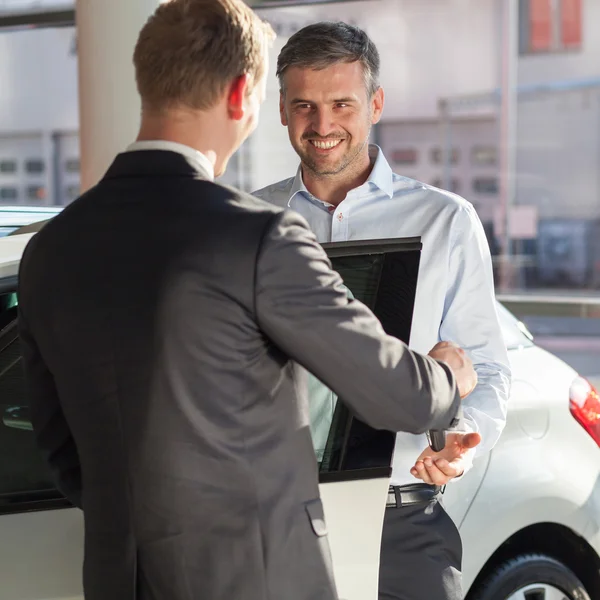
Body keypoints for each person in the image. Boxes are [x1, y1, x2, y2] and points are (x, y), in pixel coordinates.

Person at [17, 3, 476, 600]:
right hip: (252, 578)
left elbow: (59, 447)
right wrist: (448, 378)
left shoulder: (51, 248)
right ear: (242, 97)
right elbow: (393, 392)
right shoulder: (258, 235)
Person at [253, 21, 511, 600]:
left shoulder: (445, 221)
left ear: (376, 104)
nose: (322, 126)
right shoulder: (248, 221)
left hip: (400, 524)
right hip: (273, 526)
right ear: (282, 109)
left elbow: (488, 369)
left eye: (342, 104)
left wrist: (461, 437)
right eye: (305, 106)